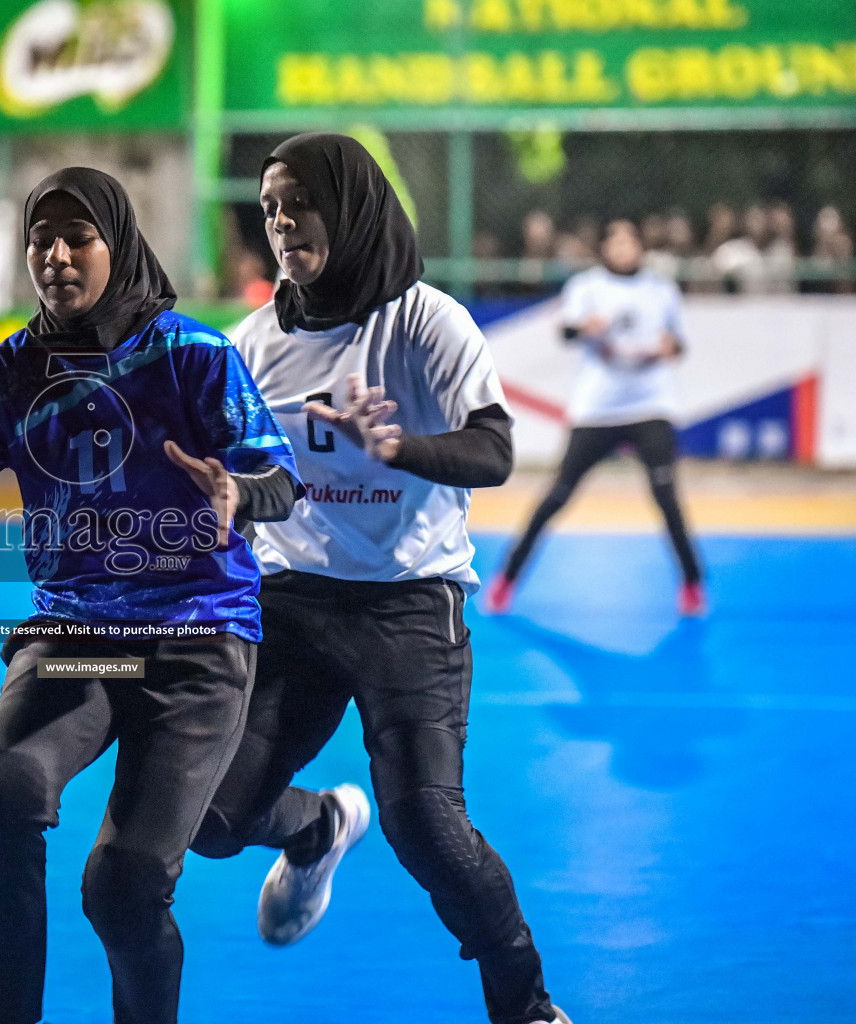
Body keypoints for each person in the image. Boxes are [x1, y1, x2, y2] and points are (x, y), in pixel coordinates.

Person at [0, 166, 300, 1024]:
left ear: (116, 244)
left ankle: (306, 826)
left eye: (76, 237)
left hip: (198, 638)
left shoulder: (193, 354)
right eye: (39, 239)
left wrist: (239, 494)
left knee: (123, 889)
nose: (54, 255)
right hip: (79, 630)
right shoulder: (7, 371)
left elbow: (280, 472)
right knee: (0, 792)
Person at [187, 133, 571, 1024]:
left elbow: (496, 449)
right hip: (291, 601)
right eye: (271, 209)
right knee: (206, 814)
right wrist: (226, 496)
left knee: (428, 828)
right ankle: (318, 828)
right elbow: (255, 478)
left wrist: (401, 446)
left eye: (300, 205)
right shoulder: (250, 343)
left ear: (352, 208)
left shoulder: (427, 322)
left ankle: (529, 1008)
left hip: (409, 602)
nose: (282, 225)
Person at [488, 219, 704, 616]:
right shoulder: (586, 287)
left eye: (629, 241)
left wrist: (669, 346)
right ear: (605, 248)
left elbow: (680, 344)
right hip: (598, 409)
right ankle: (506, 579)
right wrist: (585, 327)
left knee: (666, 495)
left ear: (640, 246)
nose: (623, 249)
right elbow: (567, 332)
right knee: (557, 494)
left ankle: (692, 583)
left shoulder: (661, 290)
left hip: (650, 405)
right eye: (615, 241)